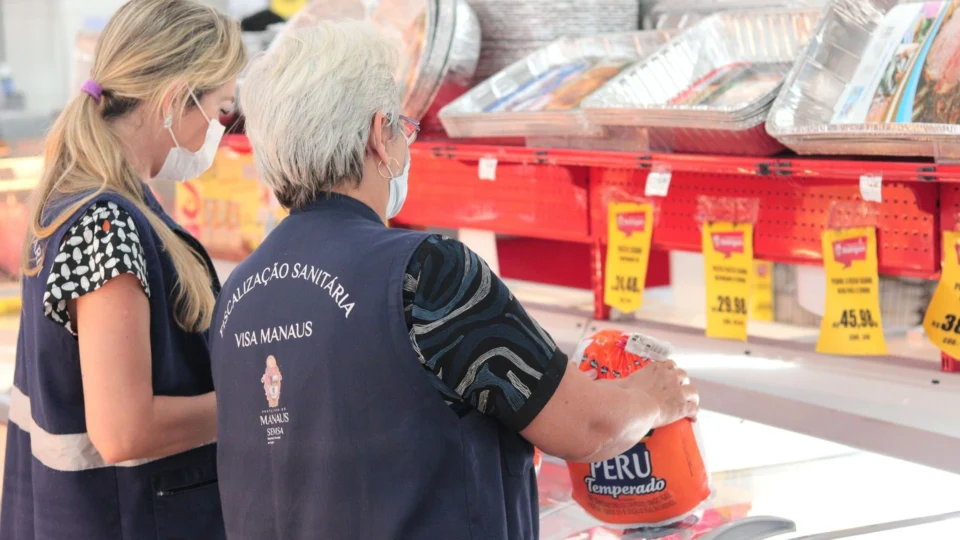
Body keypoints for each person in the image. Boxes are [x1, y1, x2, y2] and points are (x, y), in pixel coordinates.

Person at [211, 21, 698, 540]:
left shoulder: (239, 292)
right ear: (381, 135)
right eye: (402, 125)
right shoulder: (429, 274)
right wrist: (655, 397)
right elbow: (586, 428)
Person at [1, 1, 246, 539]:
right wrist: (260, 401)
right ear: (174, 99)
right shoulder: (105, 222)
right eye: (221, 109)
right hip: (122, 517)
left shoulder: (84, 195)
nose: (220, 130)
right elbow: (124, 432)